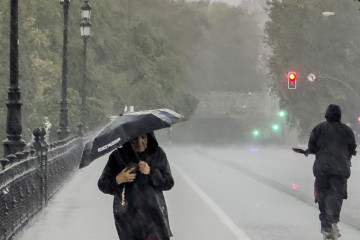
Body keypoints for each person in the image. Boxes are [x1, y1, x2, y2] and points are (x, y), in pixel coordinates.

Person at [98, 132, 174, 240]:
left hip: (154, 216)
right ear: (128, 139)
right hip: (127, 217)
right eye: (134, 138)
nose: (139, 142)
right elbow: (102, 184)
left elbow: (168, 183)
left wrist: (151, 172)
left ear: (149, 137)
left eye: (143, 137)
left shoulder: (158, 154)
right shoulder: (118, 156)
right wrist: (118, 179)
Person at [306, 104, 356, 240]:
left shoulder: (319, 129)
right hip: (340, 170)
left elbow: (312, 146)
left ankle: (326, 226)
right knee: (337, 196)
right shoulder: (347, 130)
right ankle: (334, 221)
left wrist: (311, 151)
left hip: (322, 169)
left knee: (322, 196)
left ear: (326, 115)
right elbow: (352, 147)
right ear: (339, 115)